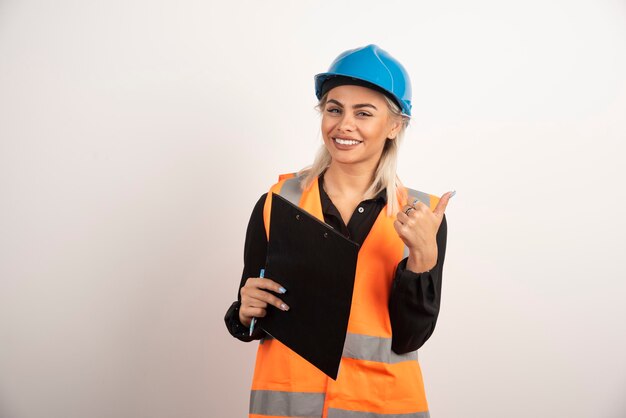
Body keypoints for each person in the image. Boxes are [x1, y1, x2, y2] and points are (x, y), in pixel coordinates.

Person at [224, 44, 453, 418]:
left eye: (364, 113)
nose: (344, 124)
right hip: (288, 407)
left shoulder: (421, 218)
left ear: (395, 125)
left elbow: (411, 336)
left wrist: (424, 256)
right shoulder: (278, 202)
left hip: (380, 406)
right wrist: (244, 313)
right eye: (334, 109)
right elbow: (252, 317)